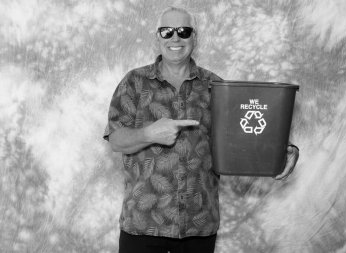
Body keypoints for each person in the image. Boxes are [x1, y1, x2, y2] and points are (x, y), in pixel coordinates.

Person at [103, 6, 299, 253]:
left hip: (199, 228)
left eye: (184, 31)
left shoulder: (216, 87)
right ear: (157, 38)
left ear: (194, 37)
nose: (176, 38)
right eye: (167, 31)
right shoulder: (133, 82)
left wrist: (281, 151)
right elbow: (116, 140)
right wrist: (149, 133)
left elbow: (245, 138)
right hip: (142, 226)